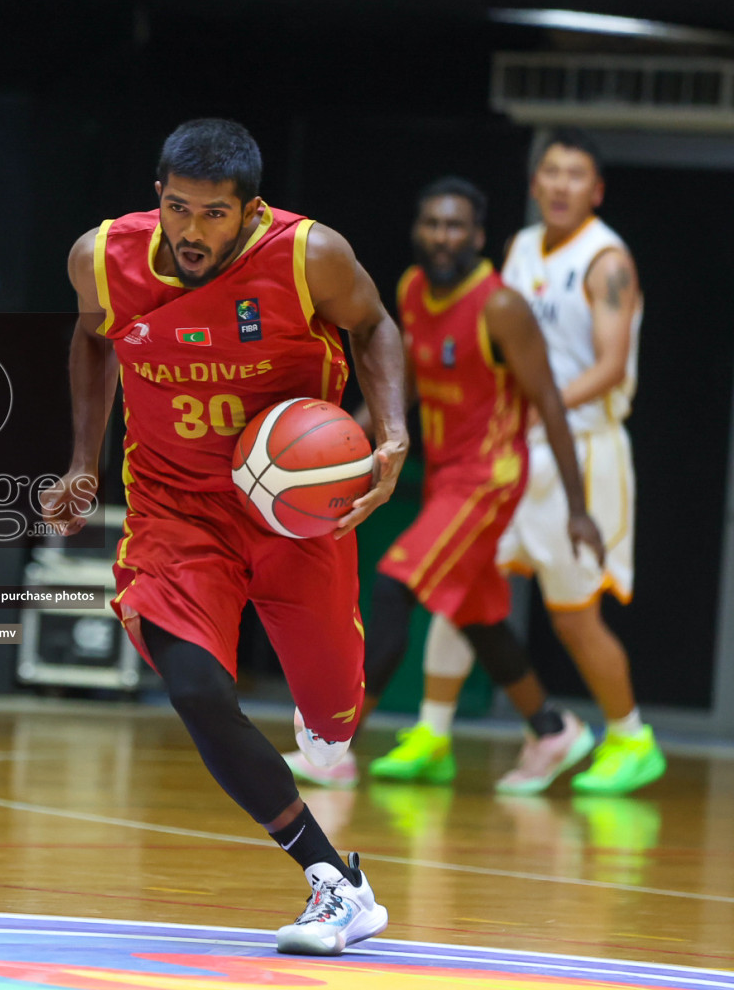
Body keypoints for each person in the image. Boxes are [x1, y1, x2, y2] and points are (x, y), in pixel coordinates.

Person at [40, 119, 406, 956]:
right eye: (178, 209)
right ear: (156, 196)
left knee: (334, 719)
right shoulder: (100, 257)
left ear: (250, 210)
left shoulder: (310, 256)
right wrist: (81, 461)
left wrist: (390, 435)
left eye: (213, 214)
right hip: (176, 511)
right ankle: (333, 881)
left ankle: (328, 722)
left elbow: (376, 324)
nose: (192, 230)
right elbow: (92, 339)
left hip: (292, 515)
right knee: (200, 690)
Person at [283, 178, 606, 794]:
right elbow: (402, 379)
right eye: (432, 223)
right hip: (445, 478)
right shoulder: (409, 290)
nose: (441, 235)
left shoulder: (500, 307)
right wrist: (340, 443)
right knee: (480, 617)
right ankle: (552, 729)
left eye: (455, 225)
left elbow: (551, 407)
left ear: (478, 236)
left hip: (489, 480)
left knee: (392, 587)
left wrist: (578, 507)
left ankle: (337, 746)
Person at [397, 131, 662, 796]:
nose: (563, 185)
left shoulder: (606, 262)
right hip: (511, 451)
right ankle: (433, 730)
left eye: (577, 175)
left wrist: (528, 404)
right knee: (459, 584)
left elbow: (608, 367)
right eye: (552, 173)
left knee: (573, 614)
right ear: (535, 183)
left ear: (595, 190)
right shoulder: (515, 249)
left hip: (582, 445)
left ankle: (632, 738)